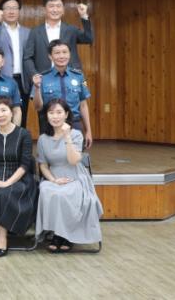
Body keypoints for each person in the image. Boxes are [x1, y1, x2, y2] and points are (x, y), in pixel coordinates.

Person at [35, 99, 103, 252]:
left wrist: (67, 137)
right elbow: (43, 165)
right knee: (47, 190)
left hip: (74, 175)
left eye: (59, 112)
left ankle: (65, 235)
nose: (55, 116)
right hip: (54, 175)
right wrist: (53, 180)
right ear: (46, 116)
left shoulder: (76, 134)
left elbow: (73, 160)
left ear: (66, 115)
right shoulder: (43, 139)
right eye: (51, 113)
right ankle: (57, 232)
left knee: (66, 194)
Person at [0, 96, 36, 258]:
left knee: (4, 193)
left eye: (4, 110)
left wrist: (7, 182)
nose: (0, 114)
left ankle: (2, 238)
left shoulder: (23, 134)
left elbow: (25, 165)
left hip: (18, 176)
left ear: (11, 113)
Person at [32, 40, 93, 149]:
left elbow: (83, 105)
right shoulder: (42, 78)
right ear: (50, 56)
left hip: (74, 125)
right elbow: (37, 107)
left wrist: (88, 131)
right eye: (57, 53)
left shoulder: (79, 76)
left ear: (69, 54)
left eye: (65, 52)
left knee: (74, 157)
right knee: (50, 157)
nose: (61, 56)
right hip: (50, 126)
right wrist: (37, 88)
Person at [23, 0, 93, 82]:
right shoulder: (35, 32)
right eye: (51, 6)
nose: (55, 10)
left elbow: (89, 38)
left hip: (70, 78)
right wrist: (34, 74)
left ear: (63, 10)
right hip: (44, 78)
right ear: (44, 10)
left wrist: (84, 16)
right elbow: (27, 57)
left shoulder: (71, 29)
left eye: (58, 6)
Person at [0, 0, 32, 127]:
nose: (11, 11)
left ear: (19, 11)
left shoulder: (27, 32)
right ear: (1, 11)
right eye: (7, 8)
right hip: (3, 78)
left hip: (22, 80)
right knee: (1, 112)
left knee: (21, 113)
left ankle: (18, 139)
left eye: (14, 8)